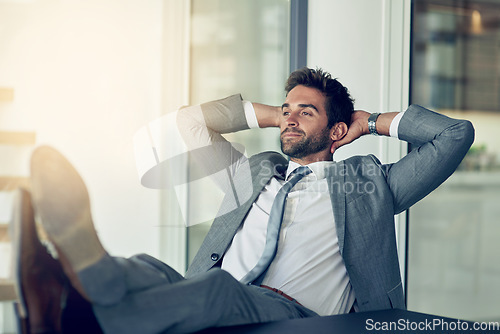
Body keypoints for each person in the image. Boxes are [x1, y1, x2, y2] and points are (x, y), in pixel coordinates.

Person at [13, 67, 474, 333]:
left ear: (337, 132)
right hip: (212, 294)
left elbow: (455, 136)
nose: (290, 120)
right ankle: (72, 282)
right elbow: (190, 124)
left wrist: (369, 121)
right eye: (286, 111)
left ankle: (71, 310)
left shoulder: (371, 185)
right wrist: (276, 114)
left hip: (295, 315)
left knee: (217, 288)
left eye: (305, 113)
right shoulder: (250, 174)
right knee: (148, 267)